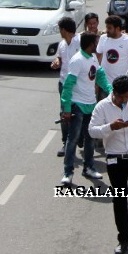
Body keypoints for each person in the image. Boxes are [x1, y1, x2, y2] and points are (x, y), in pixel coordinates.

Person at [88, 75, 128, 254]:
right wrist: (110, 127)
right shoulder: (102, 106)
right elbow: (92, 130)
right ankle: (124, 238)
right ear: (114, 93)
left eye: (127, 96)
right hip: (115, 158)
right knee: (119, 199)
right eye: (121, 97)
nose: (124, 100)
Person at [62, 32, 110, 185]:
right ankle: (68, 172)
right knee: (73, 139)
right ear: (91, 44)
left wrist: (111, 92)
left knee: (90, 139)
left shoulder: (93, 57)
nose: (98, 45)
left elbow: (100, 76)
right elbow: (68, 85)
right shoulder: (77, 60)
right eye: (96, 42)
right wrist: (67, 108)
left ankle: (88, 167)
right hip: (77, 105)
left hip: (91, 105)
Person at [51, 17, 80, 157]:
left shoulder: (80, 42)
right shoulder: (62, 44)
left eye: (60, 29)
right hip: (64, 84)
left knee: (80, 113)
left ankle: (79, 138)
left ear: (64, 29)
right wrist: (56, 61)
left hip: (79, 85)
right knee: (64, 114)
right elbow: (60, 58)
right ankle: (66, 143)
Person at [97, 16, 128, 85]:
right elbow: (98, 56)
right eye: (106, 27)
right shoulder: (103, 38)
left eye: (109, 28)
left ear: (118, 28)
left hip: (122, 84)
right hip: (105, 83)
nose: (107, 30)